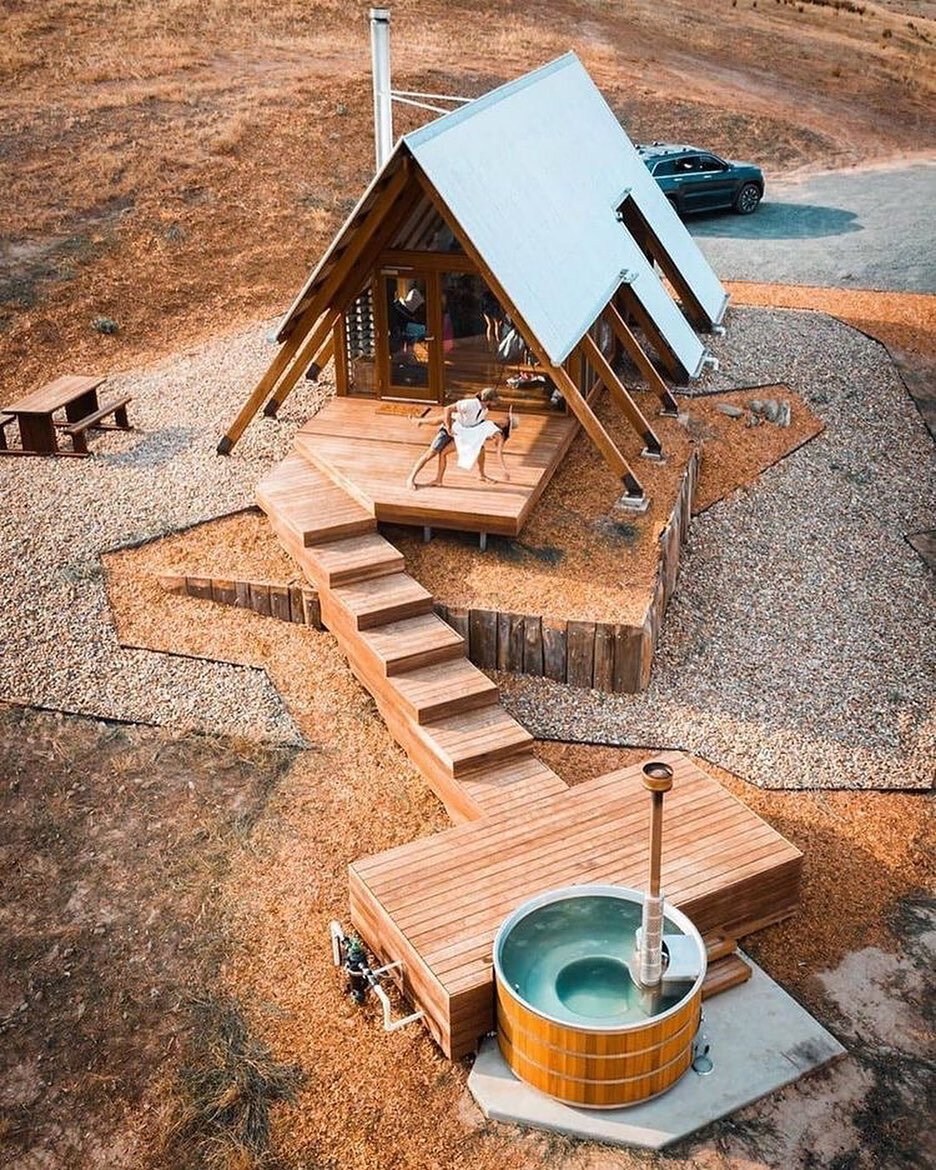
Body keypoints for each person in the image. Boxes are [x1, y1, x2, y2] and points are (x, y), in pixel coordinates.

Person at [405, 388, 512, 490]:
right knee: (431, 453)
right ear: (488, 400)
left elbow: (474, 424)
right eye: (495, 401)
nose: (496, 403)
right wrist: (448, 428)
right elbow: (447, 409)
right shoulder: (470, 404)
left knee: (480, 449)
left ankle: (480, 475)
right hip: (452, 427)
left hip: (462, 432)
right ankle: (411, 478)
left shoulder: (485, 410)